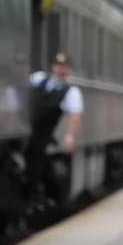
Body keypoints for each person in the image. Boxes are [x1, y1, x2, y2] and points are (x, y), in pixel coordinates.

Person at [23, 52, 84, 202]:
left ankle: (32, 195)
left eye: (64, 67)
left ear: (69, 70)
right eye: (58, 66)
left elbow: (74, 116)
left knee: (35, 160)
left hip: (43, 133)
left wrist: (69, 138)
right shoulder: (38, 78)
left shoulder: (71, 92)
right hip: (25, 128)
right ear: (53, 67)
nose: (61, 70)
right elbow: (20, 86)